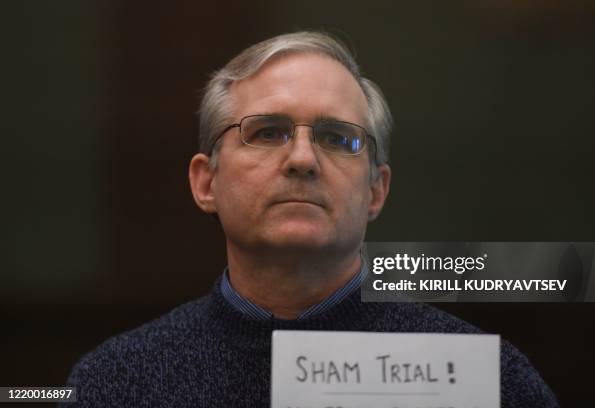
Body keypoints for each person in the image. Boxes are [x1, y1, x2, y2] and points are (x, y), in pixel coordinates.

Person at [64, 31, 558, 407]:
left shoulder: (487, 381)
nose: (302, 158)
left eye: (338, 138)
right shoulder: (113, 382)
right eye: (268, 131)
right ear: (206, 183)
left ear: (376, 190)